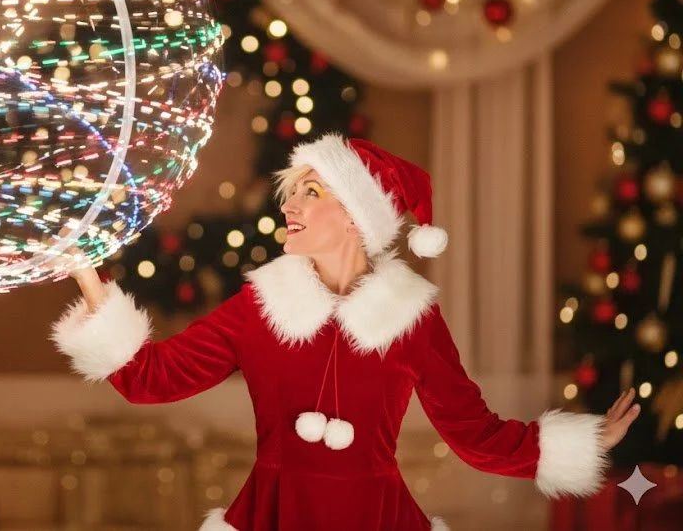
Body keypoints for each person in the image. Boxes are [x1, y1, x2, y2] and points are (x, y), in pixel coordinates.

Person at [51, 133, 639, 531]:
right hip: (273, 512)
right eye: (292, 192)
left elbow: (474, 434)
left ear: (359, 216)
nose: (291, 205)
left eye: (313, 191)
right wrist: (85, 272)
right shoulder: (260, 307)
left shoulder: (413, 319)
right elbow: (150, 378)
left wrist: (582, 445)